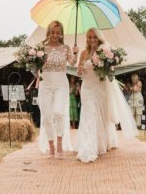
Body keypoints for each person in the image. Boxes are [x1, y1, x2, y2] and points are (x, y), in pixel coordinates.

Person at [76, 28, 138, 163]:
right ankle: (88, 146)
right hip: (87, 88)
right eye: (89, 37)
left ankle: (100, 143)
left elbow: (109, 70)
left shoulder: (104, 52)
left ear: (99, 38)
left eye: (94, 37)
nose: (92, 40)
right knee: (89, 114)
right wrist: (80, 69)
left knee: (101, 114)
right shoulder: (83, 53)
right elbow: (79, 72)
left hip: (100, 87)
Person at [37, 20, 78, 157]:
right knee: (47, 116)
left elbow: (73, 63)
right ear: (49, 32)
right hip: (46, 84)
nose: (55, 35)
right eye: (52, 32)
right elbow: (35, 67)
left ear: (61, 34)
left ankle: (60, 144)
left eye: (58, 33)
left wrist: (76, 53)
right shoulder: (41, 49)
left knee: (58, 112)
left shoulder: (65, 47)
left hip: (61, 83)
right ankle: (51, 147)